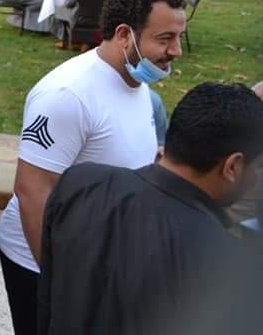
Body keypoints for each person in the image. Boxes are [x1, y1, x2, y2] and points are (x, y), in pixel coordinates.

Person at [0, 0, 187, 335]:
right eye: (165, 39)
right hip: (48, 265)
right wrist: (60, 282)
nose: (176, 50)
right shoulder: (67, 95)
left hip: (102, 259)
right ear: (124, 35)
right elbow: (32, 191)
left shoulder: (136, 82)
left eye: (179, 37)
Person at [39, 82, 263, 335]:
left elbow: (48, 300)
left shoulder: (80, 184)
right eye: (259, 166)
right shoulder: (229, 264)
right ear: (233, 166)